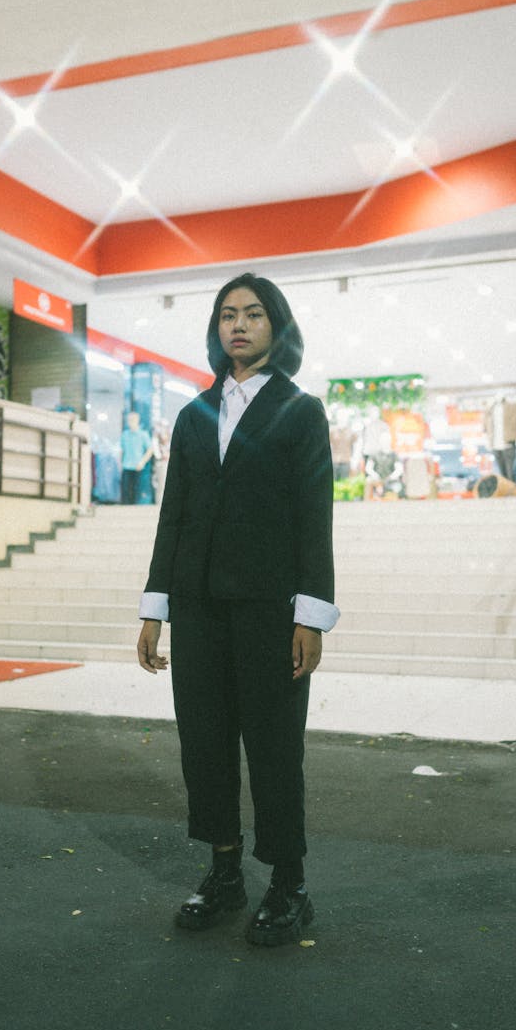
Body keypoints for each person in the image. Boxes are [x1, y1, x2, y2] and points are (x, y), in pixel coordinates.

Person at [136, 272, 339, 947]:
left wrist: (310, 613)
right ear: (216, 329)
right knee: (204, 742)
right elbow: (174, 517)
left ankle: (290, 884)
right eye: (228, 314)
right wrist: (155, 606)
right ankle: (224, 872)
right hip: (197, 606)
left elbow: (315, 517)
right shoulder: (194, 415)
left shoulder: (300, 410)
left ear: (275, 328)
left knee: (275, 747)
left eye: (253, 314)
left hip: (268, 609)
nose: (239, 325)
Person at [120, 411, 152, 504]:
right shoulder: (124, 435)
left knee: (137, 493)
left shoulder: (143, 434)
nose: (131, 422)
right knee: (126, 492)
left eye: (133, 419)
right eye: (129, 420)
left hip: (138, 467)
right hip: (126, 466)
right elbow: (121, 450)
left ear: (138, 420)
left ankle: (136, 514)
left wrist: (142, 462)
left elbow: (150, 450)